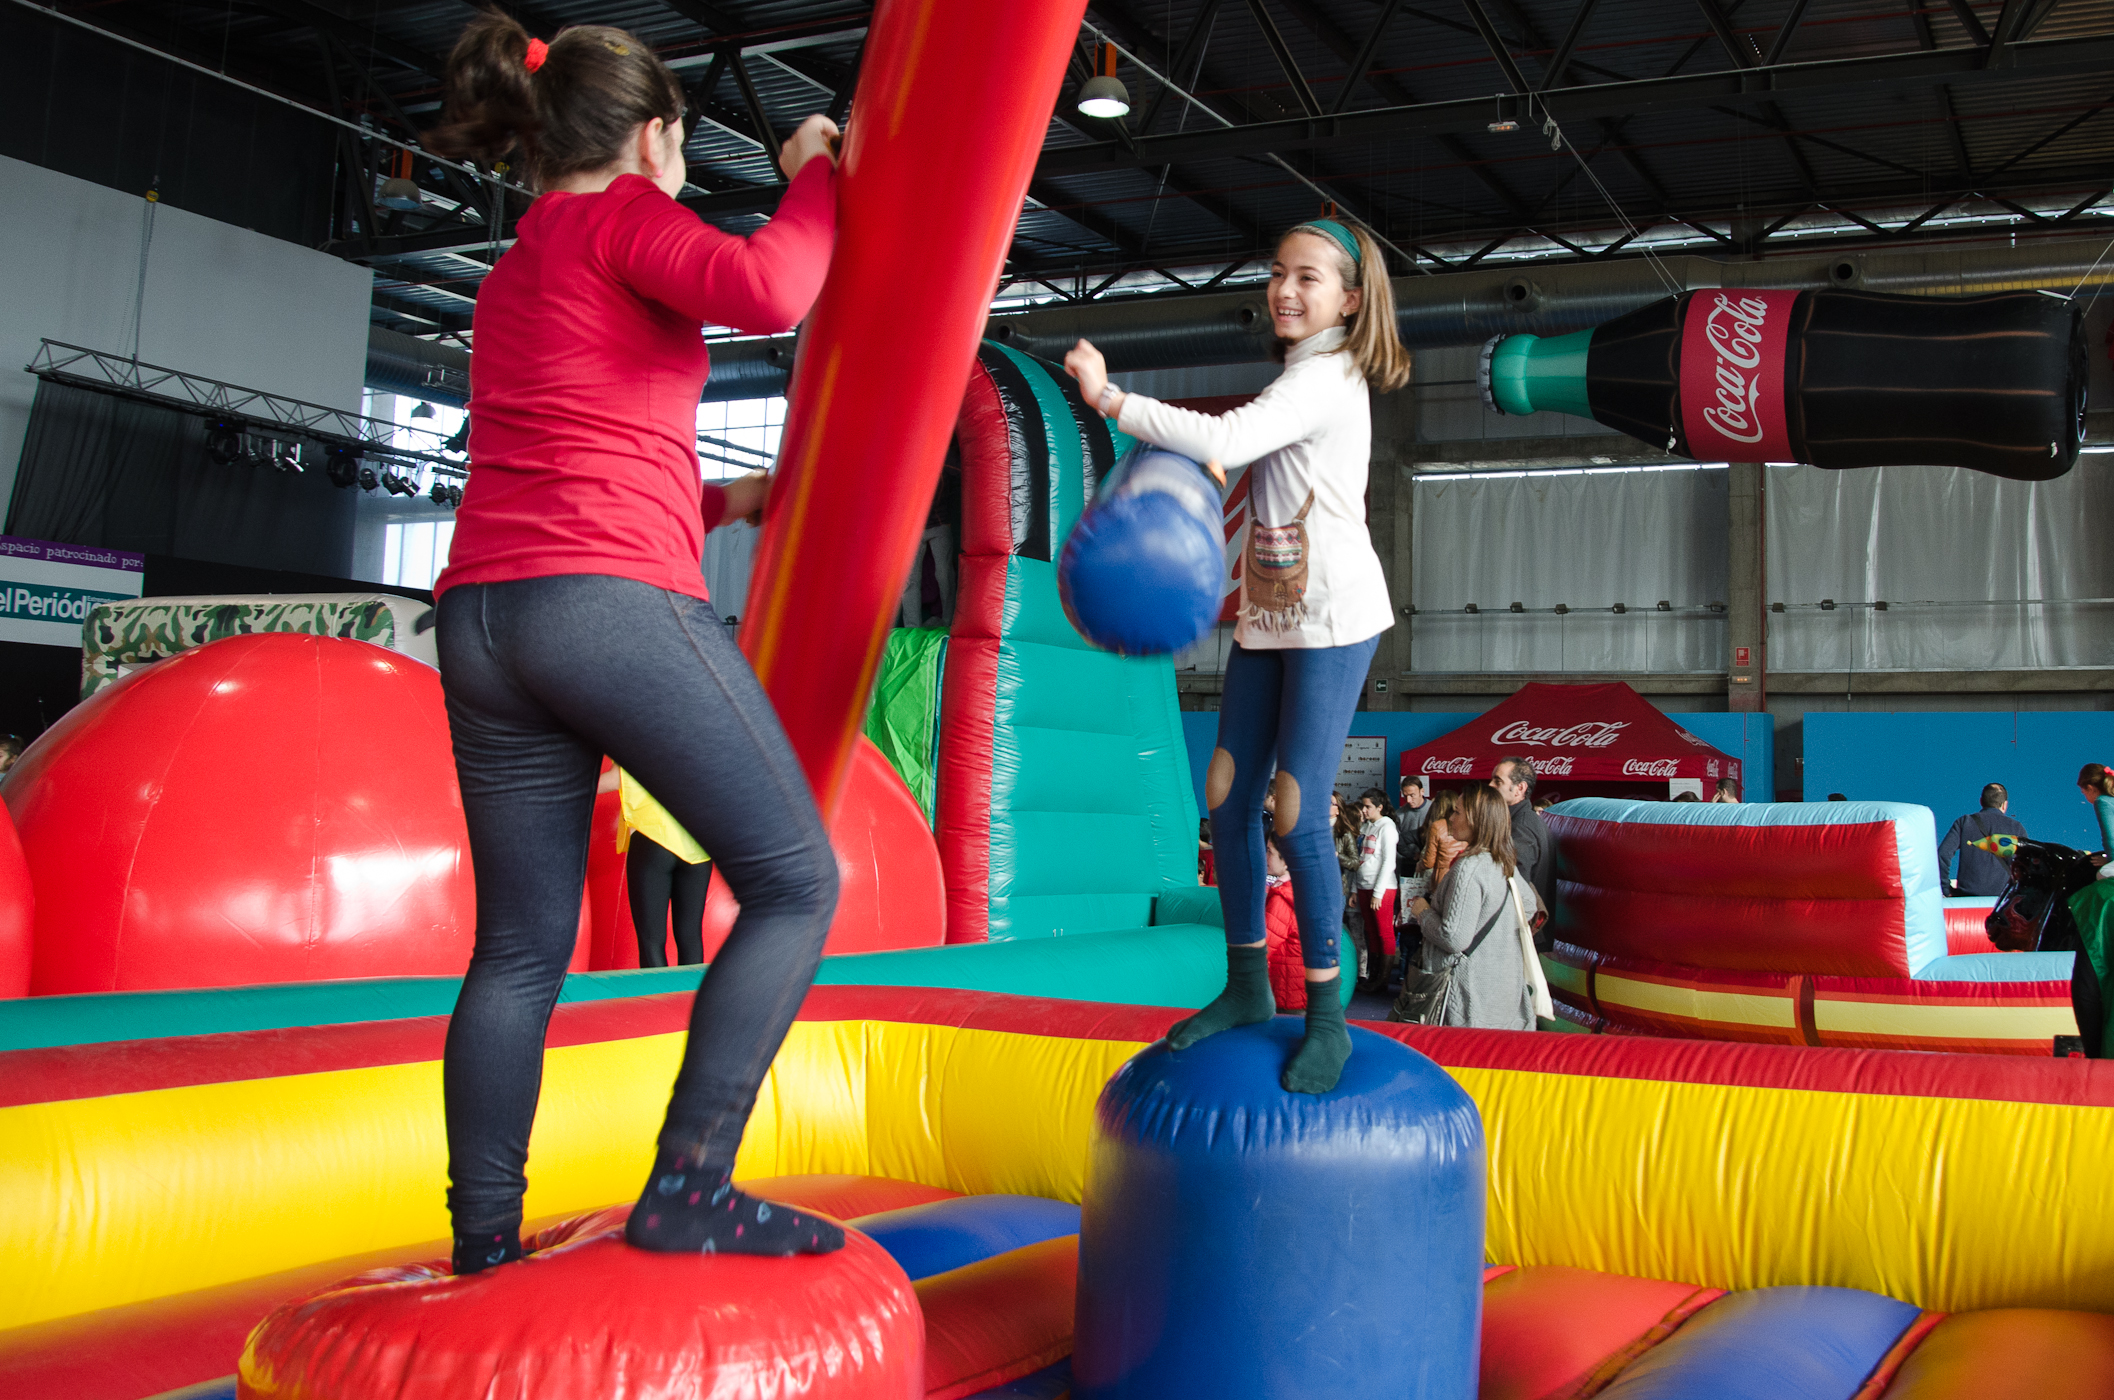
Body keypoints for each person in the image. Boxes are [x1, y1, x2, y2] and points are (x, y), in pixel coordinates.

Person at [424, 12, 844, 1274]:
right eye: (679, 139)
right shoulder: (621, 216)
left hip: (483, 615)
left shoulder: (516, 266)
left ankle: (483, 1245)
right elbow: (776, 287)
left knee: (516, 946)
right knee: (795, 881)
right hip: (602, 603)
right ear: (654, 135)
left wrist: (725, 503)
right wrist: (814, 167)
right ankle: (690, 1186)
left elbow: (562, 441)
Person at [1067, 214, 1411, 1093]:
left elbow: (1225, 439)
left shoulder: (1330, 377)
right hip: (1270, 617)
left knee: (1295, 813)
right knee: (1225, 800)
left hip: (1333, 621)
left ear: (1349, 299)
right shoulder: (1299, 376)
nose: (1285, 290)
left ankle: (1329, 1018)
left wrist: (1111, 399)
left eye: (1308, 278)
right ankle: (1249, 984)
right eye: (1277, 272)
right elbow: (1250, 464)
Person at [1406, 786, 1542, 1030]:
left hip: (1467, 998)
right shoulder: (1502, 861)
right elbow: (1529, 906)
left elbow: (1453, 937)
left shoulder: (1469, 869)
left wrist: (1422, 912)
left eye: (1457, 812)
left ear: (1476, 820)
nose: (1450, 818)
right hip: (1503, 990)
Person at [1491, 758, 1554, 946]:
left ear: (1520, 788)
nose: (1491, 785)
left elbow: (1516, 886)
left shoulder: (1522, 827)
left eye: (1498, 781)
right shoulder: (1520, 821)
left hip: (1519, 938)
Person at [1936, 783, 2027, 897]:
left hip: (1967, 902)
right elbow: (2026, 868)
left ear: (1981, 801)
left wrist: (1946, 889)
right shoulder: (2017, 828)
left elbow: (1942, 855)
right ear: (2004, 805)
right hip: (2001, 902)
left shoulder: (1965, 822)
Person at [1353, 787, 1399, 994]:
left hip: (1382, 887)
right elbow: (1360, 859)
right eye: (1363, 805)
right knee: (1371, 932)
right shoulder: (1368, 827)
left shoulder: (1387, 827)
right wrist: (1355, 888)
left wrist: (1378, 893)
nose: (1364, 810)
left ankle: (1382, 980)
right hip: (1364, 885)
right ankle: (1372, 977)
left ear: (1380, 807)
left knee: (1384, 932)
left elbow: (1389, 862)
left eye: (1368, 806)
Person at [1261, 831, 1307, 1012]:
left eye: (1269, 851)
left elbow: (1265, 945)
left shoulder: (1282, 898)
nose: (1265, 856)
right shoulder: (1302, 886)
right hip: (1298, 985)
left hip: (1286, 990)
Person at [1419, 789, 1468, 892]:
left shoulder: (1437, 826)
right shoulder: (1465, 824)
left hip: (1441, 879)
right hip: (1462, 874)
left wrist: (1419, 864)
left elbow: (1429, 862)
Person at [2081, 763, 2114, 877]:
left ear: (2090, 788)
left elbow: (2110, 837)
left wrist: (2110, 860)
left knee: (2102, 874)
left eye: (2083, 792)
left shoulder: (2102, 801)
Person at [1396, 775, 1431, 860]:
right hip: (1405, 861)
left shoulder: (1434, 809)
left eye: (1412, 795)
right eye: (1405, 796)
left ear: (1422, 791)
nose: (1408, 800)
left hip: (1429, 861)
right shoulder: (1399, 814)